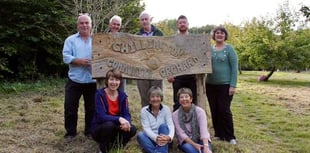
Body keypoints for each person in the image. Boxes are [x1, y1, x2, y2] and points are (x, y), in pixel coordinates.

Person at [62, 13, 96, 143]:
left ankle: (89, 132)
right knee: (70, 108)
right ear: (77, 25)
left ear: (91, 25)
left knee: (91, 109)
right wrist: (79, 61)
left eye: (87, 23)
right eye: (81, 23)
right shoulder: (70, 40)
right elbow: (66, 57)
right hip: (74, 80)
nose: (84, 25)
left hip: (92, 81)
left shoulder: (98, 40)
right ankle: (70, 133)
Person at [205, 26, 238, 145]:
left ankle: (230, 136)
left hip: (225, 85)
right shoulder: (209, 49)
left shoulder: (229, 49)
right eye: (217, 33)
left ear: (225, 35)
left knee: (224, 110)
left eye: (222, 33)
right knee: (214, 110)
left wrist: (233, 85)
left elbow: (234, 68)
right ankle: (218, 134)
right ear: (214, 35)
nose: (219, 35)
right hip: (210, 84)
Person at [91, 69, 136, 153]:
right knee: (109, 125)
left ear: (120, 82)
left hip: (116, 127)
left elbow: (126, 113)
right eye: (111, 79)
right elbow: (101, 116)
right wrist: (119, 119)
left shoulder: (123, 96)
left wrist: (127, 122)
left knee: (132, 129)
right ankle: (102, 148)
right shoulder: (99, 94)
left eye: (117, 80)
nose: (114, 82)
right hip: (101, 128)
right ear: (107, 81)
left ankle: (116, 146)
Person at [167, 15, 197, 112]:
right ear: (177, 25)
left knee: (192, 101)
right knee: (177, 101)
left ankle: (192, 124)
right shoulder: (172, 40)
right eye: (180, 23)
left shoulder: (195, 39)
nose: (182, 24)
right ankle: (177, 125)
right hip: (177, 76)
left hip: (192, 76)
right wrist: (169, 73)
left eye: (184, 22)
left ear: (188, 24)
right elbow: (167, 57)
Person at [136, 11, 164, 107]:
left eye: (146, 19)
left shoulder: (159, 33)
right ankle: (146, 119)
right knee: (144, 97)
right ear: (140, 21)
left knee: (157, 95)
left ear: (150, 20)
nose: (144, 21)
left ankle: (157, 118)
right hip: (141, 71)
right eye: (142, 20)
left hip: (156, 70)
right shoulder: (136, 35)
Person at [172, 88, 212, 153]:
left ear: (191, 99)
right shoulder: (175, 115)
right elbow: (181, 134)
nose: (184, 99)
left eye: (186, 96)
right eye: (181, 97)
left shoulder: (200, 112)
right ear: (179, 100)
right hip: (186, 142)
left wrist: (206, 147)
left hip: (201, 139)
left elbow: (204, 131)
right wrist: (194, 145)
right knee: (190, 149)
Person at [137, 86, 175, 153]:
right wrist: (156, 138)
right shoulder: (144, 110)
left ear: (161, 98)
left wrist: (169, 137)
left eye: (158, 96)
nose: (155, 99)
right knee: (140, 135)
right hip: (151, 138)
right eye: (152, 97)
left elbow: (170, 125)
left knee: (163, 126)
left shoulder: (166, 109)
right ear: (149, 99)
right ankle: (160, 151)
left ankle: (159, 150)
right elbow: (146, 128)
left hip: (164, 138)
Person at [108, 15, 126, 92]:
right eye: (114, 24)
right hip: (105, 73)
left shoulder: (124, 39)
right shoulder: (101, 38)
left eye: (118, 25)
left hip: (121, 72)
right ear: (110, 24)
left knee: (121, 94)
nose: (116, 26)